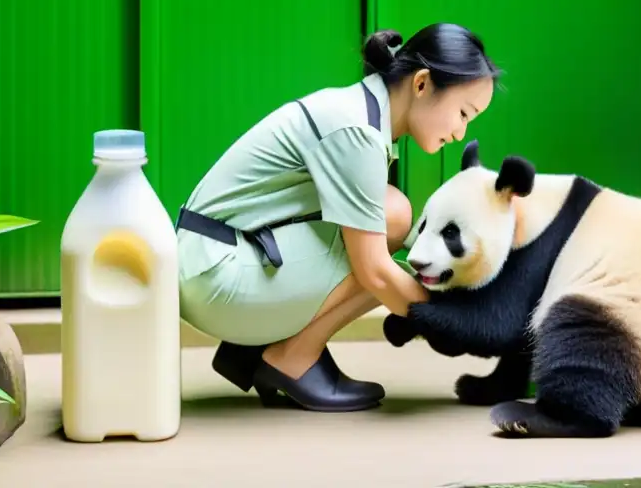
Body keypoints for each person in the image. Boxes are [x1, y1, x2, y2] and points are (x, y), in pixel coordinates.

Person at [176, 22, 501, 412]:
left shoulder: (361, 114)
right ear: (422, 84)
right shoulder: (357, 132)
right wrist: (452, 323)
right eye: (463, 113)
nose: (462, 132)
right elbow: (375, 273)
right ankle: (292, 358)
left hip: (213, 261)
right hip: (218, 276)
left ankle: (271, 349)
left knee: (391, 213)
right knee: (389, 230)